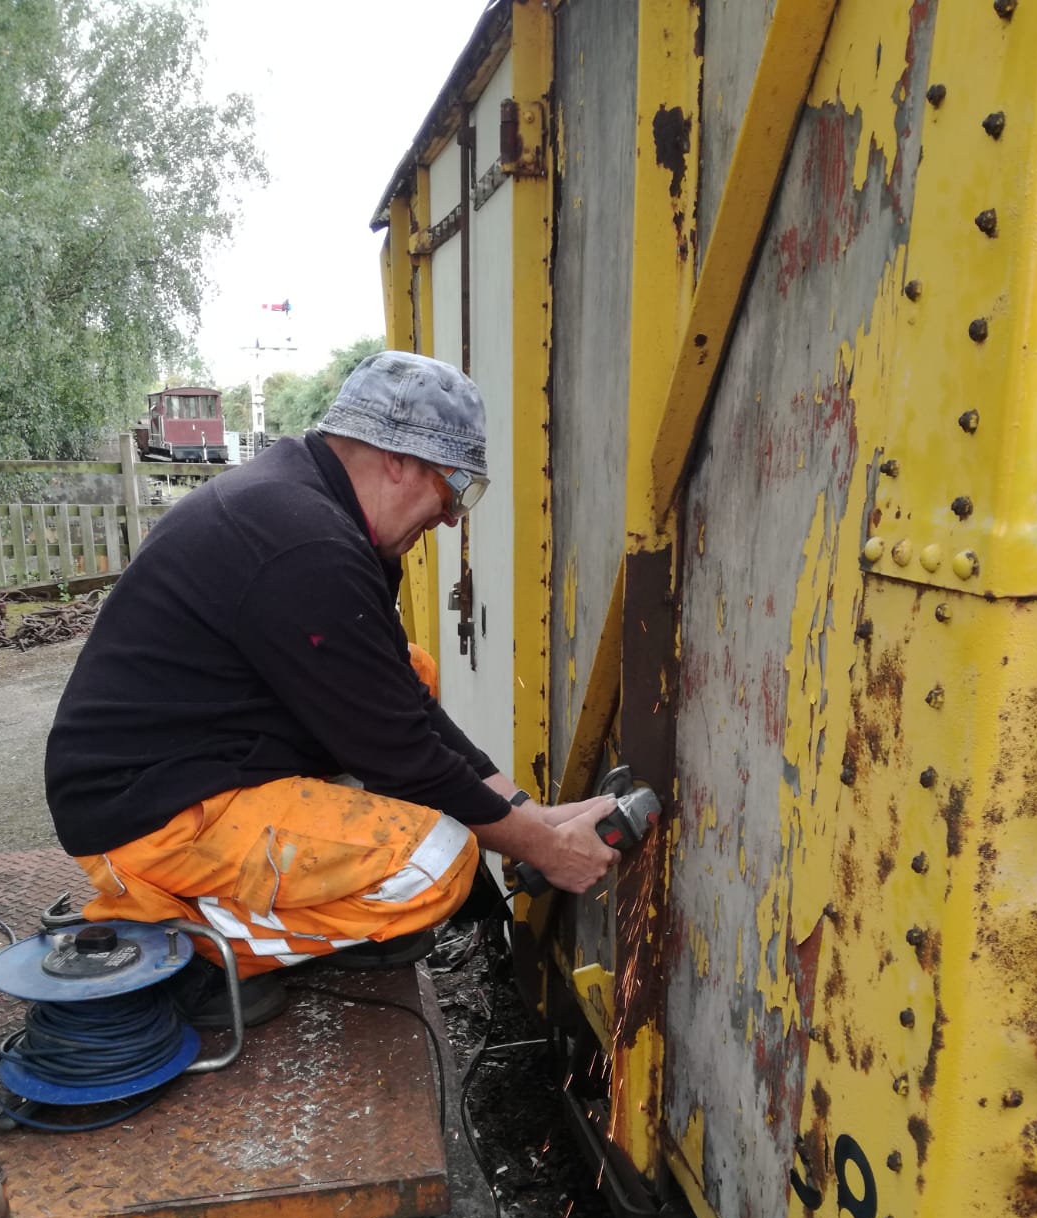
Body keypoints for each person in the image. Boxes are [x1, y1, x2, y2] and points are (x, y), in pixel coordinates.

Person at [44, 351, 617, 1024]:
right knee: (440, 864)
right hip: (148, 813)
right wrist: (543, 849)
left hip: (199, 757)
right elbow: (403, 757)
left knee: (413, 668)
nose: (451, 517)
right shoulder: (305, 544)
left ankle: (289, 911)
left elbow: (401, 705)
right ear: (397, 458)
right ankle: (181, 949)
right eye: (455, 487)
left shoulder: (315, 507)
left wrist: (527, 811)